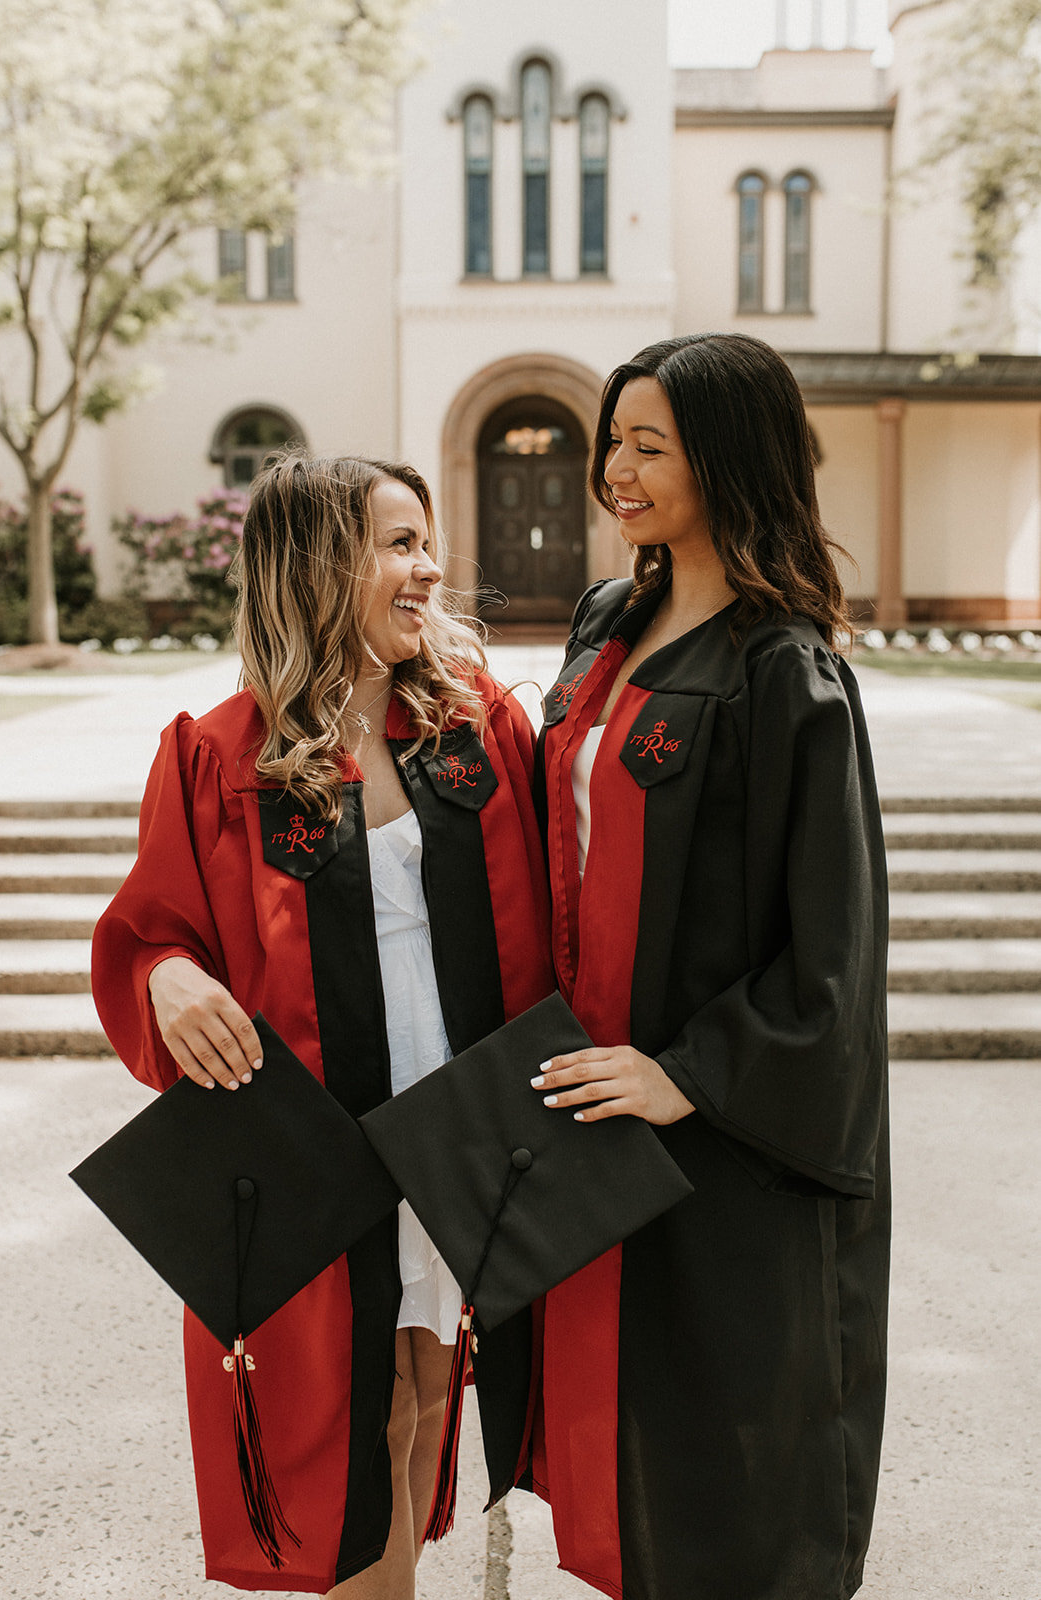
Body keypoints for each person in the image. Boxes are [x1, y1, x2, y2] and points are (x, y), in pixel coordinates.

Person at [91, 451, 553, 1597]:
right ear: (316, 563)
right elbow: (149, 929)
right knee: (344, 1424)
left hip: (455, 1127)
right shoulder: (217, 753)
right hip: (321, 1144)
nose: (430, 567)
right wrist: (163, 979)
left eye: (424, 540)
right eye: (398, 544)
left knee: (425, 1395)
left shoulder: (475, 723)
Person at [530, 333, 890, 1600]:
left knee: (721, 1470)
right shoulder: (606, 619)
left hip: (714, 1133)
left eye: (648, 446)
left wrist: (686, 1073)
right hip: (591, 1103)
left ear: (724, 460)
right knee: (618, 1454)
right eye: (609, 441)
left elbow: (832, 945)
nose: (614, 471)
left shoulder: (781, 670)